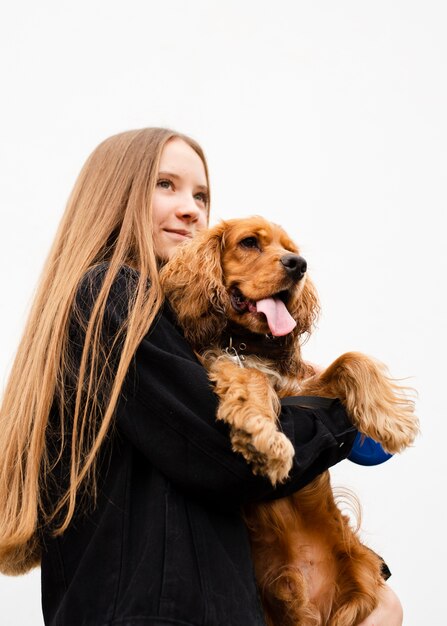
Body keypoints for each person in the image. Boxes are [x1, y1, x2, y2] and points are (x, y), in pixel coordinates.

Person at [0, 128, 403, 625]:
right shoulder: (114, 294)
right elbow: (224, 458)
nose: (191, 208)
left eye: (202, 195)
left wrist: (365, 585)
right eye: (165, 184)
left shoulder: (169, 326)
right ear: (114, 197)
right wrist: (338, 414)